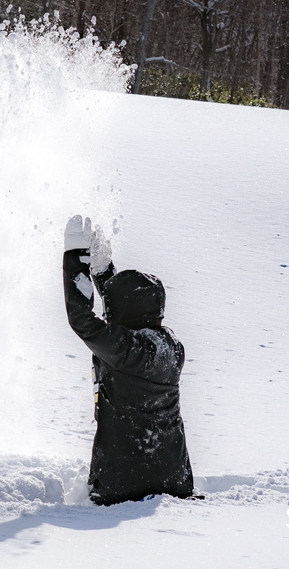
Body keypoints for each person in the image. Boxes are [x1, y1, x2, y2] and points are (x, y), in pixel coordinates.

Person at [62, 215, 194, 506]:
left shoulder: (126, 349)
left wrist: (75, 257)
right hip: (174, 479)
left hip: (120, 484)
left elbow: (83, 321)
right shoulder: (171, 347)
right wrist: (102, 269)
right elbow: (125, 310)